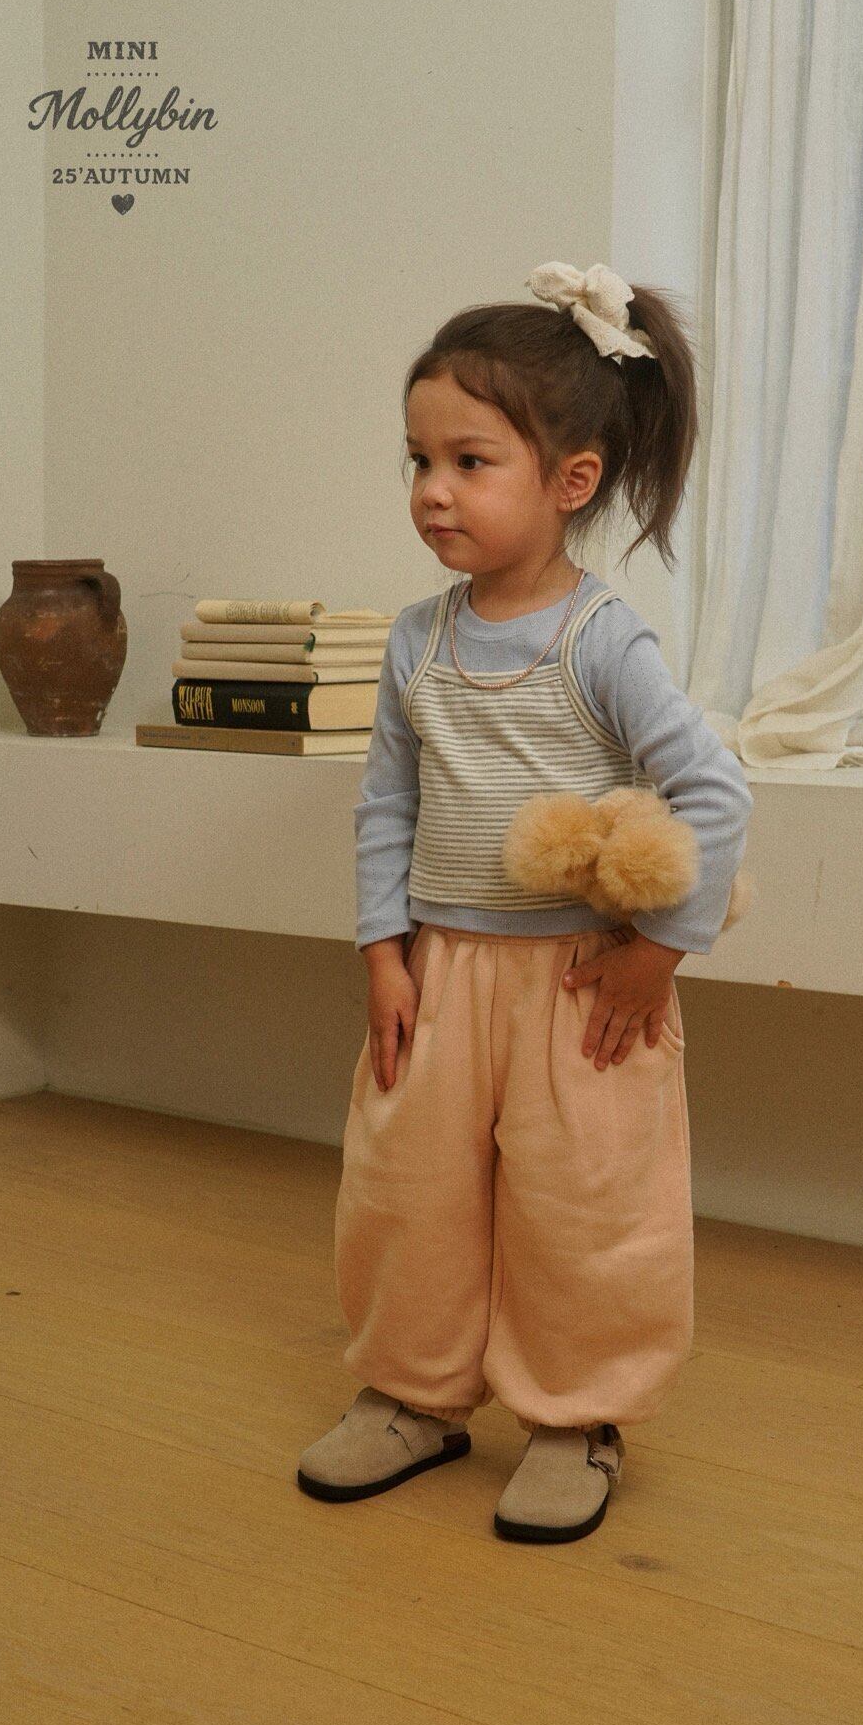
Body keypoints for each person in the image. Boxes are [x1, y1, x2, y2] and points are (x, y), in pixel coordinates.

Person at [297, 260, 754, 1544]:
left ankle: (575, 1418)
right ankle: (413, 1395)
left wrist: (658, 954)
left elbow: (713, 796)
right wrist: (382, 952)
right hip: (440, 971)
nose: (431, 490)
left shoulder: (602, 640)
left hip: (576, 988)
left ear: (571, 480)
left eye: (469, 462)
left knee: (582, 1207)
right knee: (408, 1193)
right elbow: (385, 805)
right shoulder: (415, 639)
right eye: (417, 461)